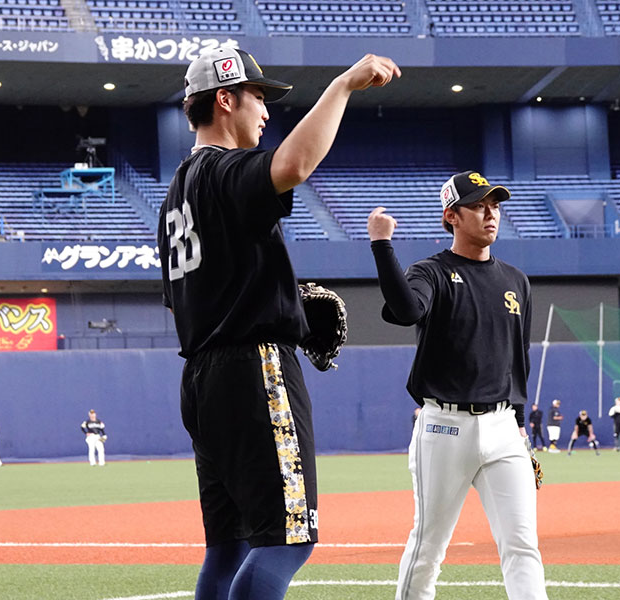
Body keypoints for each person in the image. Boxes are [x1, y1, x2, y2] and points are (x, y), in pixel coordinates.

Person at [157, 47, 400, 600]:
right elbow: (292, 167)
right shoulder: (221, 169)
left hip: (202, 377)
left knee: (230, 546)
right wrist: (342, 84)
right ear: (225, 99)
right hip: (252, 368)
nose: (266, 111)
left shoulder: (176, 194)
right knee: (289, 540)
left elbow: (188, 299)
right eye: (259, 97)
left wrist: (280, 298)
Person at [367, 170, 547, 600]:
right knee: (430, 545)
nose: (491, 213)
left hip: (504, 428)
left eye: (495, 205)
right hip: (444, 426)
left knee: (522, 545)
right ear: (452, 216)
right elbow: (407, 310)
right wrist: (381, 245)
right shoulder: (431, 271)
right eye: (479, 205)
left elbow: (517, 357)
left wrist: (521, 424)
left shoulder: (516, 280)